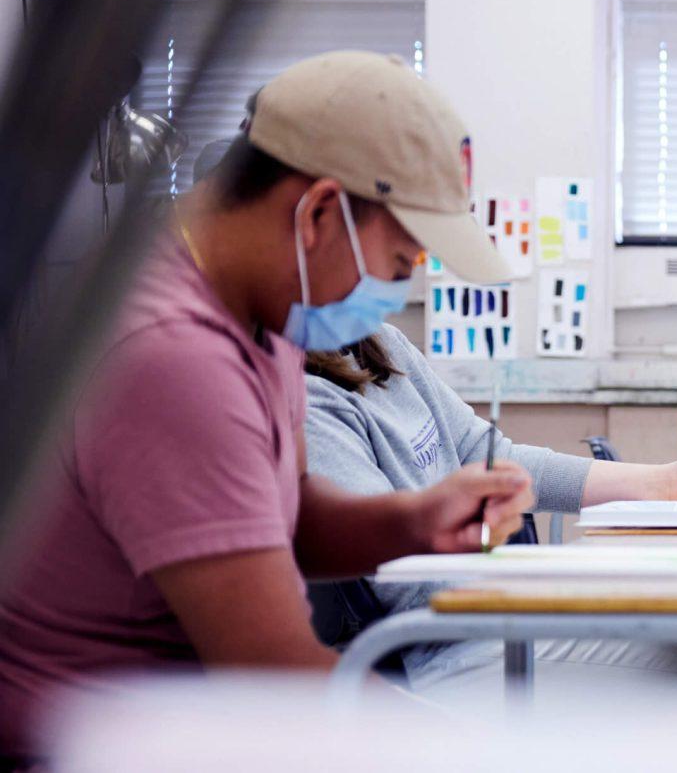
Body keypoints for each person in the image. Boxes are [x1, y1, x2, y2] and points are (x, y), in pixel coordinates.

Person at [0, 51, 534, 761]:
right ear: (317, 213)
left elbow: (289, 520)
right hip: (88, 744)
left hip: (178, 720)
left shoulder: (262, 312)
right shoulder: (170, 356)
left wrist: (418, 521)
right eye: (399, 265)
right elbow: (275, 671)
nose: (397, 293)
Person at [304, 325, 677, 712]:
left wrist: (663, 483)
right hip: (449, 648)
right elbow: (397, 573)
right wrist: (554, 580)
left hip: (502, 612)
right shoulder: (309, 399)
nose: (402, 264)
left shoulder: (380, 344)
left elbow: (490, 455)